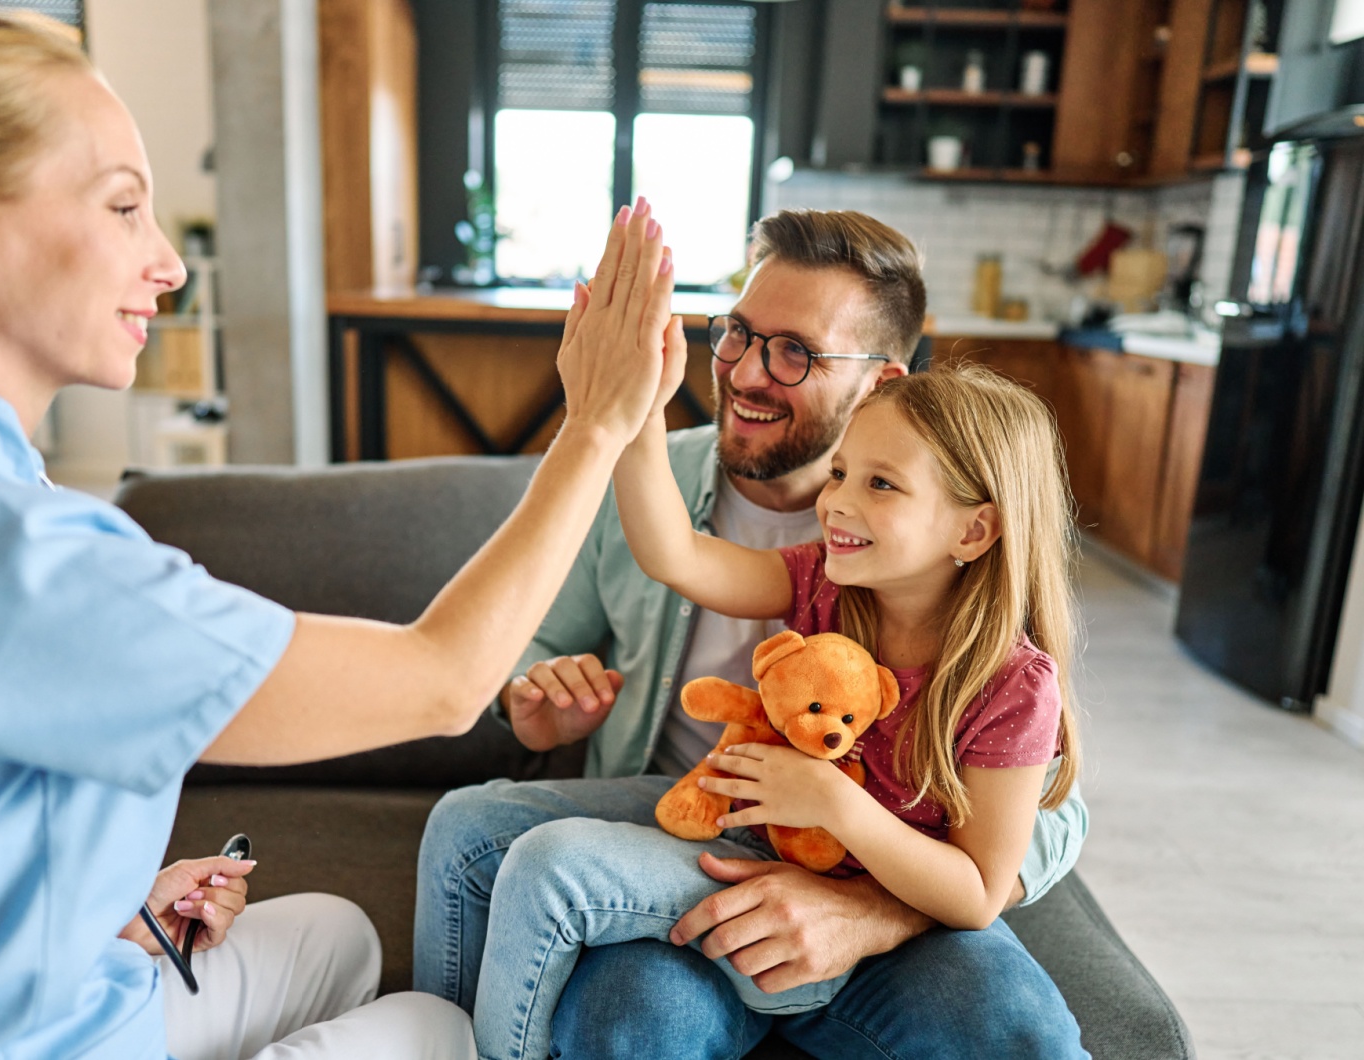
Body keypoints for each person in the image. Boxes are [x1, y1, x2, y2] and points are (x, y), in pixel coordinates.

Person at [0, 7, 680, 1058]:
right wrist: (597, 424)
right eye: (122, 207)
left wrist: (100, 904)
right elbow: (442, 677)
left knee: (334, 932)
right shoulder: (2, 552)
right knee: (431, 1026)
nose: (169, 264)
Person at [415, 210, 1090, 1058]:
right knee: (626, 1016)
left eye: (795, 351)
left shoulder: (979, 594)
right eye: (737, 334)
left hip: (881, 881)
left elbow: (1043, 821)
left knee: (1025, 1033)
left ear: (882, 384)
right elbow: (646, 571)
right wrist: (626, 415)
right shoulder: (809, 567)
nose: (744, 372)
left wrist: (872, 902)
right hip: (701, 829)